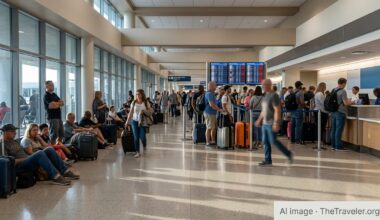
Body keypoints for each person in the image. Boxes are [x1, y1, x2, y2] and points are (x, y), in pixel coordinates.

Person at [0, 124, 79, 186]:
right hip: (20, 165)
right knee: (39, 153)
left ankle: (64, 171)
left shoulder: (14, 141)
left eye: (15, 131)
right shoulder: (2, 144)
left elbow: (25, 151)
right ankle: (55, 177)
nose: (15, 133)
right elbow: (7, 162)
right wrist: (26, 158)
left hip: (27, 160)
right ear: (5, 132)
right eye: (12, 131)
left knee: (49, 149)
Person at [255, 79, 293, 166]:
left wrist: (276, 123)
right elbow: (264, 110)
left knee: (273, 141)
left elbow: (277, 110)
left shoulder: (274, 95)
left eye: (264, 85)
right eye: (262, 85)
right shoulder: (265, 96)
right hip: (265, 123)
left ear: (269, 85)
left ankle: (288, 153)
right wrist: (259, 120)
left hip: (271, 123)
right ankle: (268, 160)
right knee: (265, 142)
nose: (263, 87)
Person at [126, 89, 153, 158]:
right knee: (136, 137)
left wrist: (144, 111)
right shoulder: (134, 102)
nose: (138, 95)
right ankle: (137, 152)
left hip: (142, 122)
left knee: (142, 136)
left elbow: (150, 111)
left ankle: (144, 144)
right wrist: (127, 121)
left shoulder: (146, 102)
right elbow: (130, 112)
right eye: (137, 94)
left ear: (142, 94)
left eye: (139, 94)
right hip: (134, 121)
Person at [330, 78, 354, 151]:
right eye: (345, 84)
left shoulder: (333, 90)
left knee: (333, 129)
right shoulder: (343, 91)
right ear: (343, 83)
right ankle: (338, 146)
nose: (345, 85)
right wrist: (352, 102)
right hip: (340, 112)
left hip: (333, 112)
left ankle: (333, 145)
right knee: (338, 130)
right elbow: (346, 103)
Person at [204, 81, 225, 147]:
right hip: (209, 113)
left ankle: (213, 140)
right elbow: (211, 104)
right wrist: (220, 109)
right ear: (211, 86)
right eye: (215, 86)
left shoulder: (212, 94)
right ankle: (207, 142)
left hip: (213, 113)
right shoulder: (209, 94)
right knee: (209, 127)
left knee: (213, 127)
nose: (216, 87)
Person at [43, 81, 64, 145]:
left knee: (61, 133)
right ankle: (53, 149)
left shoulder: (54, 94)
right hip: (52, 117)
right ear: (46, 86)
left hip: (58, 116)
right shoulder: (46, 95)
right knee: (54, 135)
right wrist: (58, 104)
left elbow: (62, 103)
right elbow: (52, 106)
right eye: (51, 85)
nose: (53, 86)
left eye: (53, 85)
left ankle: (59, 148)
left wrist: (56, 103)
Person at [290, 81, 305, 145]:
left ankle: (292, 139)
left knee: (293, 125)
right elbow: (302, 102)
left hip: (292, 110)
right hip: (298, 109)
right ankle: (298, 140)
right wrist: (305, 105)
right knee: (298, 126)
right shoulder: (300, 92)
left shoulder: (292, 91)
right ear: (299, 86)